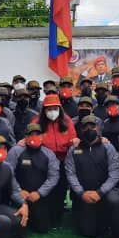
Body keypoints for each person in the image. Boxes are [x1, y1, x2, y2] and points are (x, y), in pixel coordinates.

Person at [65, 115, 119, 238]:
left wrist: (100, 192)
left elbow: (114, 173)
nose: (89, 129)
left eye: (93, 126)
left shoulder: (108, 147)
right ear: (81, 129)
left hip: (106, 192)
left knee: (115, 200)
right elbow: (70, 174)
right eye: (85, 126)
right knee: (88, 232)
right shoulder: (73, 149)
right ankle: (102, 222)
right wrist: (81, 193)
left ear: (99, 128)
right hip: (85, 194)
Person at [33, 94, 78, 226]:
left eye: (55, 108)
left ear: (59, 108)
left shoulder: (67, 121)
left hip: (63, 160)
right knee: (46, 189)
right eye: (48, 109)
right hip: (44, 161)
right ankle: (45, 215)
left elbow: (72, 139)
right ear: (43, 110)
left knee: (61, 188)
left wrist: (74, 142)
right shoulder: (36, 122)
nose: (52, 112)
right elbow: (31, 138)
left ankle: (58, 216)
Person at [7, 123, 60, 234]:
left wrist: (39, 193)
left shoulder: (49, 154)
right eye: (30, 135)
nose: (34, 137)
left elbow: (53, 177)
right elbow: (9, 174)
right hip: (19, 195)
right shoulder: (15, 151)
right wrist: (19, 191)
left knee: (42, 229)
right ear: (25, 137)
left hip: (39, 196)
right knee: (19, 229)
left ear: (42, 136)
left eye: (37, 134)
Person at [0, 135, 30, 238]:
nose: (1, 151)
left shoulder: (7, 167)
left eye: (4, 148)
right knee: (1, 221)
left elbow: (14, 190)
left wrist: (23, 204)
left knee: (17, 218)